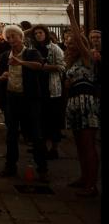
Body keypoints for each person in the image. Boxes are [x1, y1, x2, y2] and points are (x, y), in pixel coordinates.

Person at [0, 25, 47, 182]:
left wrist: (21, 62)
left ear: (21, 37)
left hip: (29, 99)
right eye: (8, 37)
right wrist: (2, 76)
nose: (11, 40)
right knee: (11, 134)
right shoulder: (5, 56)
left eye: (13, 37)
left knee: (36, 134)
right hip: (12, 98)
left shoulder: (30, 52)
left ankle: (42, 168)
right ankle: (10, 165)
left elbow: (39, 66)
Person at [64, 5, 100, 196]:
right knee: (79, 144)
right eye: (68, 44)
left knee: (88, 144)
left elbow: (78, 37)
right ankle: (84, 176)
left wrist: (71, 17)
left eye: (73, 44)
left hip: (86, 103)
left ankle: (92, 184)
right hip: (74, 103)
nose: (70, 46)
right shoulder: (71, 63)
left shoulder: (88, 58)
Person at [31, 24, 65, 160]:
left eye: (40, 32)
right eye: (36, 33)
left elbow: (62, 67)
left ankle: (54, 148)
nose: (38, 35)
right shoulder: (33, 49)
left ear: (45, 34)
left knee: (53, 119)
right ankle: (42, 146)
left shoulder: (54, 48)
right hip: (38, 88)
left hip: (51, 88)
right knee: (41, 119)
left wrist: (46, 67)